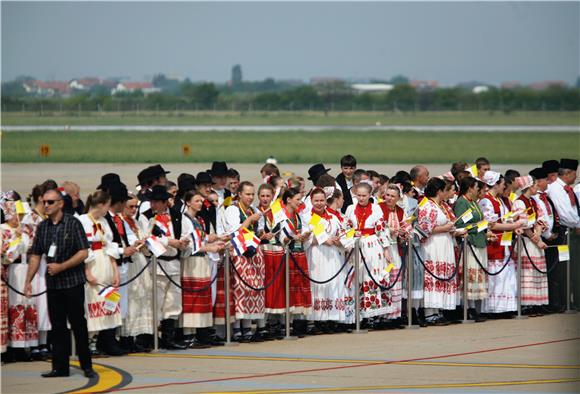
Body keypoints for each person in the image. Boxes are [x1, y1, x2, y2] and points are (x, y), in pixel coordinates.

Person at [24, 188, 95, 378]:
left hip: (72, 283)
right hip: (53, 285)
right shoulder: (43, 227)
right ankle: (60, 367)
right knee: (57, 327)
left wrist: (62, 267)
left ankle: (87, 365)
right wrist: (28, 280)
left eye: (50, 202)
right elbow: (36, 254)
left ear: (60, 204)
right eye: (44, 202)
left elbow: (83, 252)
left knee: (78, 325)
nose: (46, 205)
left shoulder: (73, 224)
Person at [139, 185, 192, 350]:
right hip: (156, 264)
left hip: (174, 263)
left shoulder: (178, 216)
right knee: (156, 302)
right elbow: (146, 239)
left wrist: (184, 243)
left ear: (164, 202)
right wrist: (169, 241)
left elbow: (187, 233)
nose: (153, 205)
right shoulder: (145, 218)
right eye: (152, 202)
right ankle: (150, 337)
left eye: (156, 202)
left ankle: (169, 337)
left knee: (173, 302)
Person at [78, 190, 123, 356]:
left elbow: (110, 246)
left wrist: (115, 271)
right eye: (107, 205)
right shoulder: (81, 221)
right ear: (101, 205)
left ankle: (99, 341)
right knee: (92, 301)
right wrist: (87, 271)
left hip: (105, 262)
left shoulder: (103, 221)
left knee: (107, 301)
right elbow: (83, 247)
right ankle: (90, 342)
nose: (108, 209)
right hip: (93, 263)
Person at [222, 181, 266, 342]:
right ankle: (236, 327)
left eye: (252, 194)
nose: (250, 197)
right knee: (239, 289)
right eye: (247, 194)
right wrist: (250, 220)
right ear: (239, 194)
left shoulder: (253, 209)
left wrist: (263, 234)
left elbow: (258, 230)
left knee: (252, 290)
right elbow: (234, 231)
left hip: (253, 252)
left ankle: (247, 325)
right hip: (239, 252)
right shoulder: (232, 209)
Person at [182, 190, 226, 347]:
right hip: (192, 262)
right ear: (188, 202)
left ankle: (201, 332)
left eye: (201, 201)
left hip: (202, 262)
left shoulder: (198, 219)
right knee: (192, 298)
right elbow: (189, 245)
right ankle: (189, 335)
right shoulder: (185, 220)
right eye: (197, 201)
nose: (200, 203)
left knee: (202, 297)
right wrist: (209, 248)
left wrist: (214, 242)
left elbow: (200, 239)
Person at [344, 183, 390, 327]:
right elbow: (346, 228)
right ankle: (358, 314)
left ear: (370, 195)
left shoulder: (376, 209)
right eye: (359, 195)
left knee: (372, 276)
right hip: (356, 245)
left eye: (364, 196)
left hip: (372, 246)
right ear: (355, 194)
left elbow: (381, 229)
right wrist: (352, 234)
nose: (361, 198)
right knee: (357, 277)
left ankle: (373, 315)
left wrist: (386, 249)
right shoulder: (350, 209)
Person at [479, 171, 524, 316]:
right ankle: (493, 308)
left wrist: (512, 226)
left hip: (505, 244)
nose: (505, 186)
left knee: (506, 275)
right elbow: (490, 225)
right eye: (503, 184)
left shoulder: (500, 200)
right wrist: (513, 226)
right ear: (496, 184)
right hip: (494, 244)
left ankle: (505, 307)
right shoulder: (486, 201)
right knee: (496, 277)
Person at [303, 188, 348, 329]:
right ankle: (317, 320)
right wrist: (321, 240)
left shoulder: (333, 217)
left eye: (322, 200)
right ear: (311, 201)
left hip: (332, 255)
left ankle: (331, 318)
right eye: (316, 200)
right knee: (318, 284)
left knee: (333, 283)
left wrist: (338, 241)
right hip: (316, 255)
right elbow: (305, 240)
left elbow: (342, 234)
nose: (319, 203)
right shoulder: (306, 217)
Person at [417, 179, 460, 325]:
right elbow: (424, 229)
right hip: (433, 246)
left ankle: (438, 310)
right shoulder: (428, 206)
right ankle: (430, 313)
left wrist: (451, 229)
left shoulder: (441, 206)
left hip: (444, 244)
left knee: (442, 275)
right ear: (438, 191)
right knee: (433, 276)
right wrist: (445, 228)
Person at [1, 192, 37, 361]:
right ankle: (14, 347)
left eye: (22, 215)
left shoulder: (24, 230)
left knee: (27, 304)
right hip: (13, 271)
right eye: (17, 214)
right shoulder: (3, 230)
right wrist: (15, 238)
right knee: (15, 306)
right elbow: (7, 256)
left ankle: (26, 345)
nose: (19, 218)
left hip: (26, 269)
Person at [279, 188, 313, 336]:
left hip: (299, 254)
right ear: (288, 200)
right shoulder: (280, 216)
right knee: (288, 288)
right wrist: (292, 238)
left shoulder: (299, 216)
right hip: (287, 255)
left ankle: (299, 323)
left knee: (300, 288)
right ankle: (286, 324)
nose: (300, 202)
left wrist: (305, 236)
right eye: (298, 199)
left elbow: (305, 231)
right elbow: (280, 236)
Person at [121, 194, 154, 351]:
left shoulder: (136, 221)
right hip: (131, 263)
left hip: (140, 261)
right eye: (131, 206)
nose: (134, 209)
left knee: (141, 297)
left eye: (136, 206)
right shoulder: (120, 221)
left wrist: (145, 241)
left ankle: (137, 336)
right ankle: (126, 336)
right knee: (131, 299)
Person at [454, 176, 488, 322]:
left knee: (477, 276)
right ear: (470, 188)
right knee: (469, 275)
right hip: (469, 243)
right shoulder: (462, 202)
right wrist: (480, 226)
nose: (478, 190)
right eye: (476, 187)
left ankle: (474, 307)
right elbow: (460, 224)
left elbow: (478, 221)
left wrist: (486, 228)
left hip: (479, 240)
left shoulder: (473, 202)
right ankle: (468, 308)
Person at [546, 158, 579, 309]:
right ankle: (564, 302)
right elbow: (565, 214)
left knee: (572, 268)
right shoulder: (555, 189)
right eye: (575, 173)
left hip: (572, 231)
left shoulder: (566, 189)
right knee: (564, 270)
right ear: (568, 173)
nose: (576, 177)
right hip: (564, 234)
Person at [514, 175, 549, 315]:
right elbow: (523, 224)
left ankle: (538, 302)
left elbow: (541, 219)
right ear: (528, 187)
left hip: (535, 240)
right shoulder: (519, 203)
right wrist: (536, 239)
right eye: (534, 185)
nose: (537, 187)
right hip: (526, 242)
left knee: (537, 272)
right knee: (528, 272)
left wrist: (538, 233)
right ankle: (527, 304)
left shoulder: (534, 201)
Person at [256, 184, 285, 339]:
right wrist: (261, 236)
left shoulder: (277, 212)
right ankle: (263, 324)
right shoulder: (256, 211)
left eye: (268, 196)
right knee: (265, 289)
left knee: (278, 287)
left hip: (277, 252)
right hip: (263, 251)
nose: (265, 199)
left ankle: (277, 321)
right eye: (262, 196)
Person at [378, 184, 409, 326]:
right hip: (382, 249)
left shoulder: (401, 211)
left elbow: (406, 227)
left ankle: (394, 315)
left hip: (396, 249)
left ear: (398, 198)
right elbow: (377, 227)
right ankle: (382, 316)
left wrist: (403, 233)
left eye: (392, 196)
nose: (389, 198)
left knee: (396, 281)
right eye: (387, 195)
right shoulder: (378, 208)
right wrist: (389, 230)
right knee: (384, 280)